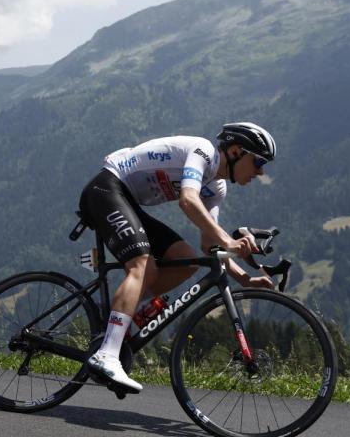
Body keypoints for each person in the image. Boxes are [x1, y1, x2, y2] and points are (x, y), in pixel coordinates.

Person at [79, 122, 277, 393]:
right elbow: (188, 200)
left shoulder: (217, 188)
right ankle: (107, 354)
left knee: (187, 260)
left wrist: (244, 278)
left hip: (128, 201)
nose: (261, 171)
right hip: (106, 188)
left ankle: (122, 313)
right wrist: (229, 241)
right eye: (258, 162)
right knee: (143, 267)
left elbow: (210, 244)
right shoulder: (203, 151)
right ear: (235, 151)